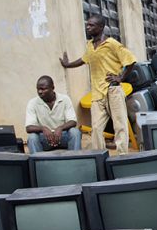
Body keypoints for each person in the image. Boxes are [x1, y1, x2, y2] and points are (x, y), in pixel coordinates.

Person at [59, 14, 136, 154]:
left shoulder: (112, 43)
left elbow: (131, 60)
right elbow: (84, 60)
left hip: (112, 91)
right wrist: (68, 64)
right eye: (87, 24)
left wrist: (121, 77)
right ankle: (100, 157)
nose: (88, 27)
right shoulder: (90, 45)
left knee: (120, 126)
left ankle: (123, 157)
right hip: (97, 93)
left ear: (101, 27)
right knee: (96, 128)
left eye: (91, 25)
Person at [25, 76, 81, 153]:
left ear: (53, 87)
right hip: (45, 138)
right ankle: (38, 162)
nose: (40, 92)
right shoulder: (33, 103)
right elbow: (29, 128)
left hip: (62, 136)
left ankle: (76, 160)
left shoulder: (64, 99)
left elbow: (73, 121)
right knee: (32, 137)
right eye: (38, 89)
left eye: (43, 89)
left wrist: (60, 128)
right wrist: (43, 128)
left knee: (75, 132)